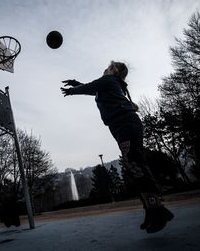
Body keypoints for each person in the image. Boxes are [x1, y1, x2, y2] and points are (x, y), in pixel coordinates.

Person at [60, 61, 174, 233]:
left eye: (109, 67)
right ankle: (151, 210)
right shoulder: (108, 85)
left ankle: (158, 209)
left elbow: (91, 87)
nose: (105, 68)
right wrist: (76, 84)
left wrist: (72, 90)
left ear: (115, 71)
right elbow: (93, 88)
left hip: (125, 123)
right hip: (121, 125)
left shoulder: (108, 80)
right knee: (132, 165)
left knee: (135, 164)